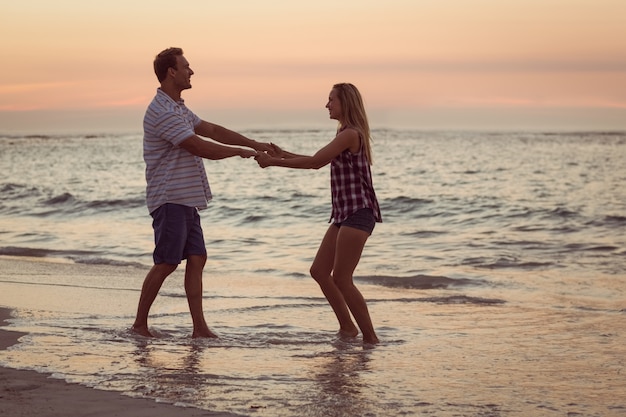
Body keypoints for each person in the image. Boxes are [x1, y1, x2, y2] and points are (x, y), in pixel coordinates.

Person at [131, 47, 275, 338]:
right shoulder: (161, 111)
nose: (191, 71)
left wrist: (254, 143)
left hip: (187, 198)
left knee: (197, 258)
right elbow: (199, 146)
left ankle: (199, 328)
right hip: (169, 197)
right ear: (171, 72)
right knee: (167, 262)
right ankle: (139, 325)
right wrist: (240, 152)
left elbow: (211, 130)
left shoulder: (178, 107)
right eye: (186, 66)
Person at [255, 83, 382, 344]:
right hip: (345, 213)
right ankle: (348, 328)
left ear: (345, 102)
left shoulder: (350, 135)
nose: (327, 105)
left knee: (343, 279)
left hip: (359, 212)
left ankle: (371, 338)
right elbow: (318, 158)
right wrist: (284, 154)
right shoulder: (344, 133)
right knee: (319, 271)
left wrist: (273, 163)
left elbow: (314, 163)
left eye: (331, 100)